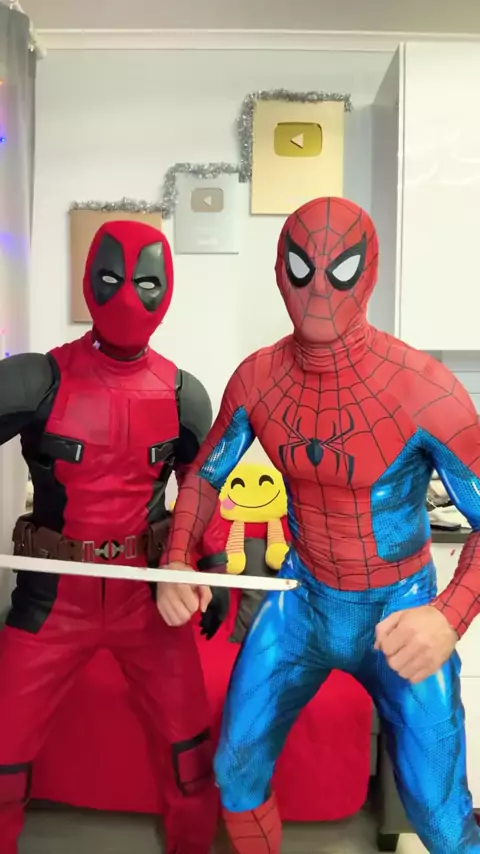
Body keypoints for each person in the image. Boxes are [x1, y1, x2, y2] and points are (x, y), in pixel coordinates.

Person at [159, 197, 480, 854]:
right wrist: (176, 556)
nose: (318, 291)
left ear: (370, 271)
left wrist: (449, 616)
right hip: (301, 600)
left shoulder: (426, 390)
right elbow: (207, 475)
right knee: (235, 771)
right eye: (302, 269)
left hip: (401, 605)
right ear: (279, 271)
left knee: (442, 818)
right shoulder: (258, 378)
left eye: (341, 270)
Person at [0, 219, 226, 854]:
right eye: (111, 278)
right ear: (89, 282)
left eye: (146, 282)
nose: (127, 296)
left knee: (190, 761)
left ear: (167, 288)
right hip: (51, 600)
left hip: (144, 602)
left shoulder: (184, 395)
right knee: (2, 760)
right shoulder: (37, 379)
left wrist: (211, 564)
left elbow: (200, 488)